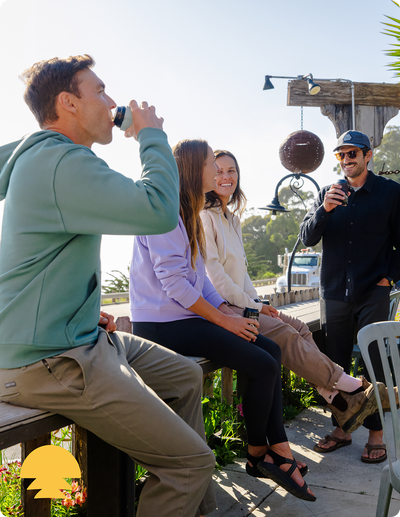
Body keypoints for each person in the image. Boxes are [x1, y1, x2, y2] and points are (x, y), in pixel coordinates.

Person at [0, 55, 216, 517]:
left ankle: (193, 507)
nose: (112, 100)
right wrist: (151, 137)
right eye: (99, 90)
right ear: (68, 103)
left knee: (185, 376)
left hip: (74, 337)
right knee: (190, 464)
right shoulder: (59, 163)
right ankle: (184, 485)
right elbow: (158, 210)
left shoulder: (41, 156)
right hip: (49, 360)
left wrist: (74, 307)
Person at [130, 138, 317, 502]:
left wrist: (234, 313)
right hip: (162, 325)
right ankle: (262, 453)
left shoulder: (189, 213)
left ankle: (268, 453)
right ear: (193, 169)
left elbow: (201, 280)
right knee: (263, 364)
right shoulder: (165, 213)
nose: (216, 172)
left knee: (270, 351)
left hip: (186, 319)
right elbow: (174, 284)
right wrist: (224, 321)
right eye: (209, 165)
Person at [200, 148, 387, 438]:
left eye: (231, 170)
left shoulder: (232, 219)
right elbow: (215, 277)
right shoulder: (204, 216)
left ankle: (334, 397)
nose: (226, 176)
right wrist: (255, 307)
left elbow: (242, 274)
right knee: (285, 334)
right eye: (219, 171)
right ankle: (352, 388)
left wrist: (258, 303)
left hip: (243, 304)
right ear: (208, 175)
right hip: (223, 309)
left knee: (300, 327)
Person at [299, 130, 400, 463]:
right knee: (335, 364)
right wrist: (324, 209)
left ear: (368, 155)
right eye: (341, 154)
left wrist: (389, 278)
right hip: (334, 291)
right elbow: (307, 238)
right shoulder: (326, 193)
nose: (346, 159)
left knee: (374, 359)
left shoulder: (390, 193)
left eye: (352, 153)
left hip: (373, 289)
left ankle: (376, 434)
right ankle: (342, 430)